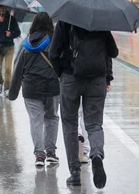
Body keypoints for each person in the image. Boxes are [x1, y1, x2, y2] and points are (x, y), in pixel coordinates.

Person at [49, 21, 118, 189]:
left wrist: (61, 74)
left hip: (70, 79)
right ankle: (96, 155)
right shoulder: (100, 22)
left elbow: (53, 53)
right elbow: (113, 52)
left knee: (70, 124)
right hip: (96, 80)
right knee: (94, 124)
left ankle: (74, 173)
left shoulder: (64, 22)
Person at [9, 12, 60, 167]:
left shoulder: (26, 44)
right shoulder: (54, 43)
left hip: (31, 89)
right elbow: (62, 64)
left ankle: (39, 155)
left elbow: (18, 68)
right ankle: (51, 152)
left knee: (35, 121)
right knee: (51, 118)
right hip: (52, 87)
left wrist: (13, 92)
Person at [78, 58, 114, 164]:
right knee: (91, 120)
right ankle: (92, 152)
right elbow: (110, 54)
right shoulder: (101, 40)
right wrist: (108, 79)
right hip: (96, 80)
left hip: (72, 79)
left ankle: (77, 140)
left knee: (73, 117)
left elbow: (55, 54)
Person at [0, 5, 21, 97]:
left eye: (3, 7)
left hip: (9, 48)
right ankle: (0, 83)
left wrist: (11, 34)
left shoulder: (12, 19)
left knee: (8, 69)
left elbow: (18, 33)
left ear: (6, 8)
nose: (1, 9)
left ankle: (7, 89)